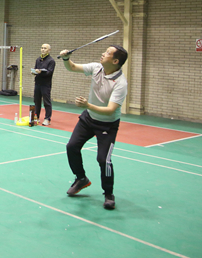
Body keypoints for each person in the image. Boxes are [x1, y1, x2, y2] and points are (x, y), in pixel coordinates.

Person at [59, 45, 128, 210]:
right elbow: (72, 67)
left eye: (107, 53)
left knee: (104, 160)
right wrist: (66, 58)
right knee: (72, 146)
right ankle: (81, 178)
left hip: (108, 124)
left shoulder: (120, 83)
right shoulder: (97, 68)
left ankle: (109, 194)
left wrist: (87, 105)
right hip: (88, 119)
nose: (103, 54)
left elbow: (110, 109)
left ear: (115, 61)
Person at [29, 43, 55, 127]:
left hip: (45, 84)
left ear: (49, 50)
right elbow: (36, 68)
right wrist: (34, 72)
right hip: (37, 83)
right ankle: (36, 117)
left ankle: (47, 118)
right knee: (37, 101)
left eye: (45, 48)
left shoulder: (51, 61)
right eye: (42, 48)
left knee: (46, 102)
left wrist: (40, 72)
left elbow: (49, 72)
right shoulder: (38, 59)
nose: (43, 49)